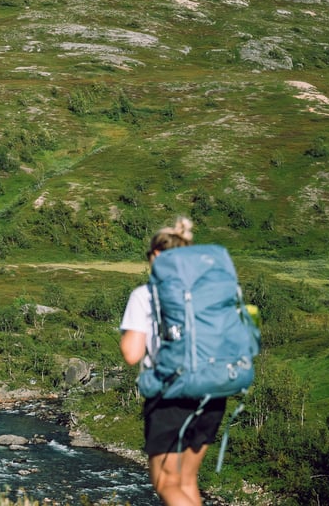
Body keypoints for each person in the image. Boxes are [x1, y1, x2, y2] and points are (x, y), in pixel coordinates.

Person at [119, 216, 226, 506]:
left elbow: (131, 354)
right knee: (186, 481)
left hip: (171, 396)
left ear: (155, 255)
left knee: (166, 483)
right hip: (212, 394)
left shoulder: (145, 295)